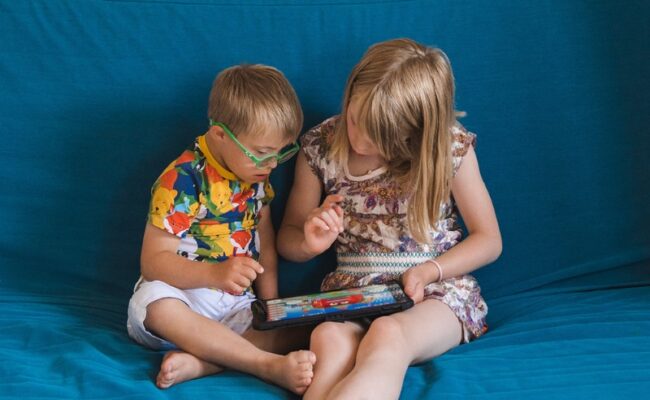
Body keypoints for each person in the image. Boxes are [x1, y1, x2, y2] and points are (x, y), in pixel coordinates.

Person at [277, 38, 502, 400]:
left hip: (434, 296)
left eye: (380, 137)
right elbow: (287, 239)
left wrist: (429, 271)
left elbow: (489, 239)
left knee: (388, 334)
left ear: (417, 133)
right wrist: (308, 242)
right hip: (352, 294)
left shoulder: (447, 147)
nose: (360, 141)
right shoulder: (319, 146)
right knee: (328, 337)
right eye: (354, 121)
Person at [126, 64, 316, 394]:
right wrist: (214, 275)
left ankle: (203, 363)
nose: (272, 165)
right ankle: (265, 365)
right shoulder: (183, 181)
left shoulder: (256, 177)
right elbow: (153, 262)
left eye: (282, 153)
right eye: (262, 153)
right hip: (180, 298)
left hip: (234, 308)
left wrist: (271, 304)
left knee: (305, 326)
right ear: (219, 136)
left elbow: (265, 244)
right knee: (154, 304)